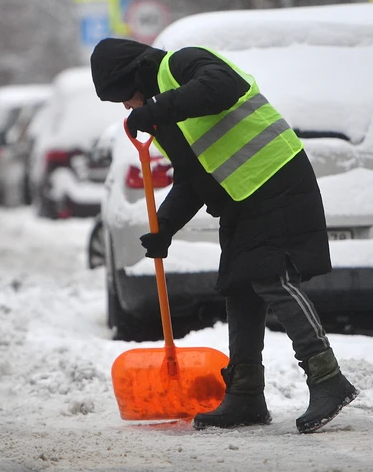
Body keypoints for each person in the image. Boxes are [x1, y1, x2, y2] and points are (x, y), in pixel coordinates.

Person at [90, 38, 358, 434]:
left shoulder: (182, 64)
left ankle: (327, 376)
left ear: (133, 78)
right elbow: (194, 179)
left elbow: (222, 88)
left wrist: (156, 109)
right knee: (238, 287)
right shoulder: (163, 119)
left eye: (124, 98)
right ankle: (246, 394)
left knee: (272, 278)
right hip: (241, 198)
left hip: (277, 178)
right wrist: (164, 227)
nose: (128, 107)